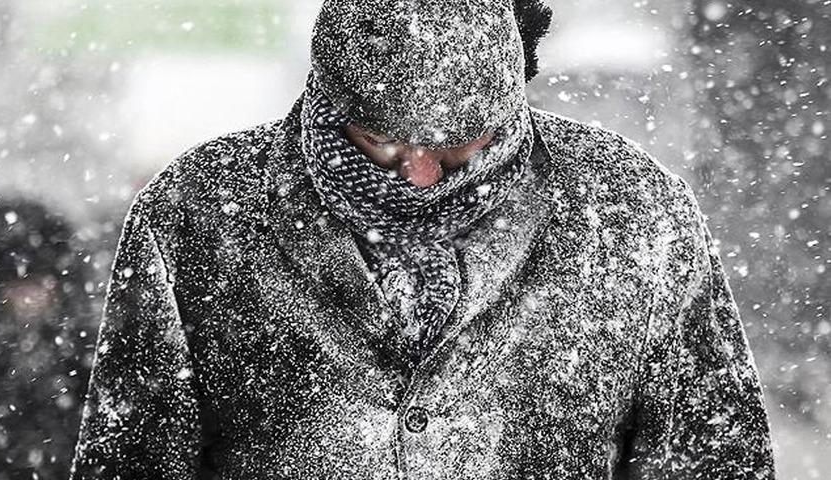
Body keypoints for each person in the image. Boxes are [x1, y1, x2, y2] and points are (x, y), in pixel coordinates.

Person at [69, 0, 776, 479]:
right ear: (328, 99)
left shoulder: (632, 211)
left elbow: (712, 455)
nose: (421, 175)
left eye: (463, 145)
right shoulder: (198, 211)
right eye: (380, 141)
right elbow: (132, 456)